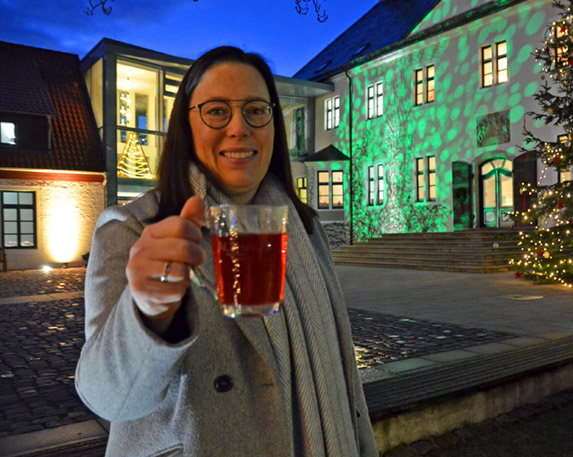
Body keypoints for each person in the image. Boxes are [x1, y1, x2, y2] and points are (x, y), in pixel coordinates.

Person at [75, 46, 378, 457]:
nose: (240, 128)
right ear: (186, 124)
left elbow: (343, 381)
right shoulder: (133, 228)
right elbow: (106, 398)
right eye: (217, 111)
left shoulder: (305, 229)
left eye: (256, 109)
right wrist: (147, 313)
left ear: (274, 124)